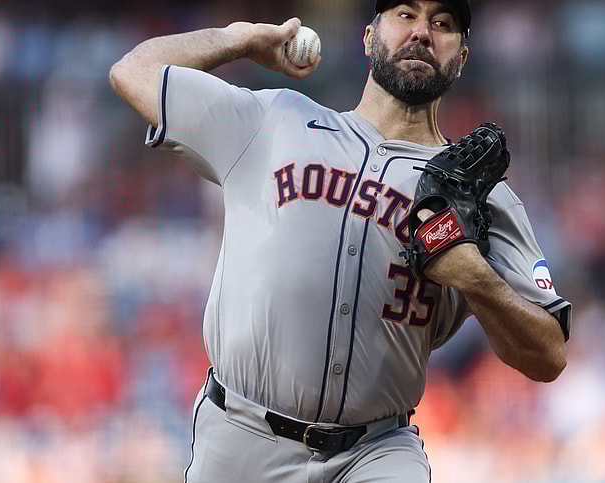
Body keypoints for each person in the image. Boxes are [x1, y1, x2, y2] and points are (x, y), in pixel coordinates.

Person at [109, 1, 571, 481]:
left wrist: (475, 276)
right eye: (405, 15)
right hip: (240, 440)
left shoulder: (480, 194)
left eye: (442, 23)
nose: (421, 33)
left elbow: (548, 355)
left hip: (375, 452)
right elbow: (133, 72)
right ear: (369, 36)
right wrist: (240, 39)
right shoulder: (275, 119)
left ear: (462, 56)